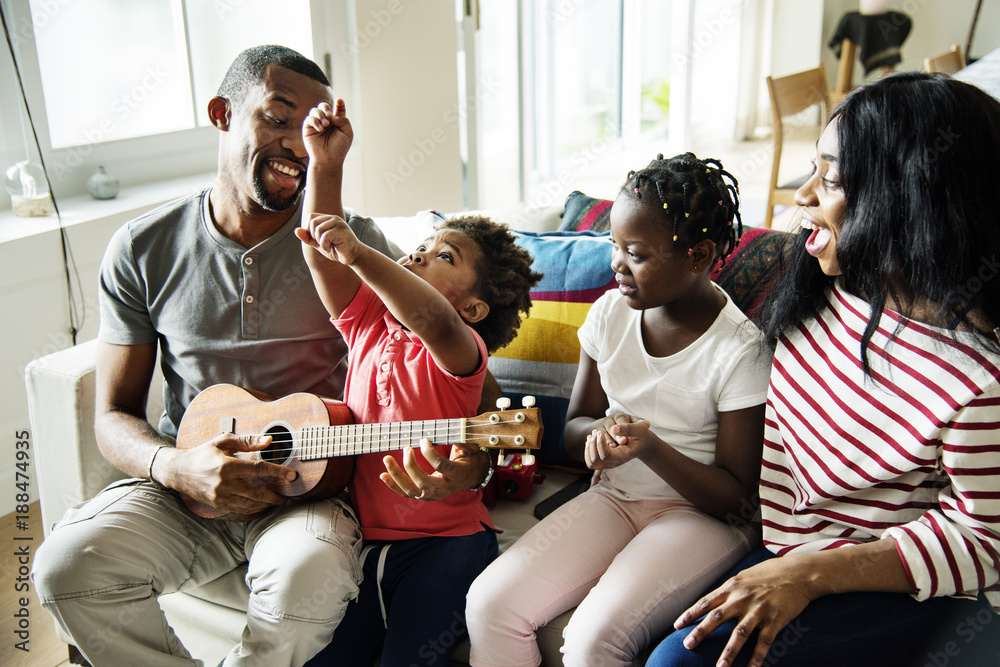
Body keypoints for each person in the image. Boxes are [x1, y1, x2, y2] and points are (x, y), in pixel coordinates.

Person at [31, 45, 408, 667]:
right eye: (277, 118)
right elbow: (113, 416)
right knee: (65, 567)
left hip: (310, 486)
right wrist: (175, 468)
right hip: (188, 483)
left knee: (304, 582)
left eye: (312, 130)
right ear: (221, 113)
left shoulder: (350, 240)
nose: (295, 145)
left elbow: (429, 361)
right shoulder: (141, 248)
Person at [648, 72, 1000, 667]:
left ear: (908, 198)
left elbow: (988, 542)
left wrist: (811, 573)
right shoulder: (828, 286)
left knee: (676, 662)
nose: (800, 195)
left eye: (830, 178)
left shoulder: (979, 381)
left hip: (903, 584)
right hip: (790, 547)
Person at [465, 153, 774, 666]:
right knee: (490, 604)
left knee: (591, 644)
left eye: (636, 253)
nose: (616, 265)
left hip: (697, 518)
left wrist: (649, 448)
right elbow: (573, 429)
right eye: (613, 245)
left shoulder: (740, 350)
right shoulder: (611, 313)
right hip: (614, 499)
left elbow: (736, 498)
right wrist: (599, 436)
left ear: (697, 256)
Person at [294, 101, 543, 666]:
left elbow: (430, 318)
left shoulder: (461, 350)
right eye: (424, 245)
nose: (419, 254)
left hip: (447, 545)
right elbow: (319, 258)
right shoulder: (368, 322)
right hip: (364, 540)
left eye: (442, 257)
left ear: (474, 307)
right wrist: (325, 166)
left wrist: (361, 254)